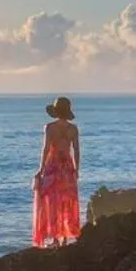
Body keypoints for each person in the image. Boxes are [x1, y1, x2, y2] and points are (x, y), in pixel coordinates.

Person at [32, 97, 82, 247]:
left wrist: (41, 169)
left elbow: (46, 150)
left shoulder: (49, 127)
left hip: (52, 166)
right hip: (67, 167)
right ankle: (64, 238)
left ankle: (54, 239)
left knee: (52, 202)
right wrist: (76, 170)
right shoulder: (73, 129)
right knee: (66, 202)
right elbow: (77, 151)